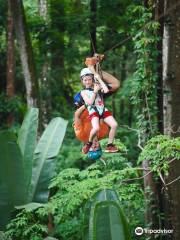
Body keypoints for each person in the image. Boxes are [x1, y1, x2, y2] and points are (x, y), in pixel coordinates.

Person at [80, 67, 120, 153]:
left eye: (89, 79)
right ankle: (89, 143)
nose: (87, 82)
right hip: (94, 111)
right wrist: (95, 92)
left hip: (102, 109)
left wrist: (98, 79)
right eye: (85, 80)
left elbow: (105, 90)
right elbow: (90, 103)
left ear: (92, 79)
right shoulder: (83, 92)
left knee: (114, 125)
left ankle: (110, 145)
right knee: (96, 128)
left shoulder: (96, 85)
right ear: (82, 81)